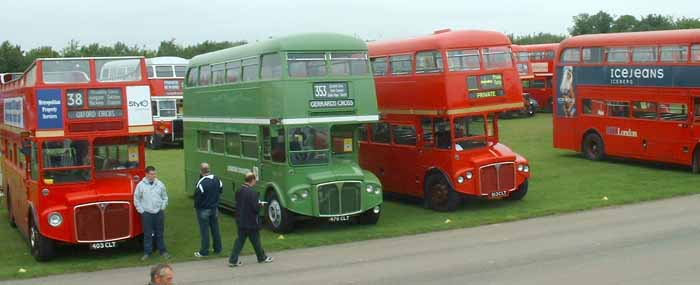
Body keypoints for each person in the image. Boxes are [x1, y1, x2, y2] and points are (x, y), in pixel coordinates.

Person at [228, 172, 273, 267]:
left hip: (240, 219)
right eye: (255, 180)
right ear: (252, 180)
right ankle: (261, 257)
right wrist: (260, 205)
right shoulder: (253, 193)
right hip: (251, 221)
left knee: (240, 241)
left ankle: (233, 259)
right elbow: (255, 208)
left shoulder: (239, 190)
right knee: (256, 240)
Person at [134, 166, 170, 261]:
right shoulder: (140, 185)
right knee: (147, 234)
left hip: (159, 213)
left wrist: (162, 207)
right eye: (151, 174)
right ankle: (147, 252)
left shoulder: (160, 184)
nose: (153, 176)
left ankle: (163, 251)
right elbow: (136, 199)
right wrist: (141, 211)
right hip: (147, 214)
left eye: (154, 174)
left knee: (160, 233)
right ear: (146, 174)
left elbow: (165, 197)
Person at [194, 162, 223, 257]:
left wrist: (198, 207)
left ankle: (204, 251)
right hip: (214, 208)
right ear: (209, 169)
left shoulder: (201, 183)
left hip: (203, 209)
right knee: (215, 229)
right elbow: (220, 191)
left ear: (201, 171)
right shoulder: (217, 179)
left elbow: (197, 198)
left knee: (204, 231)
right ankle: (218, 248)